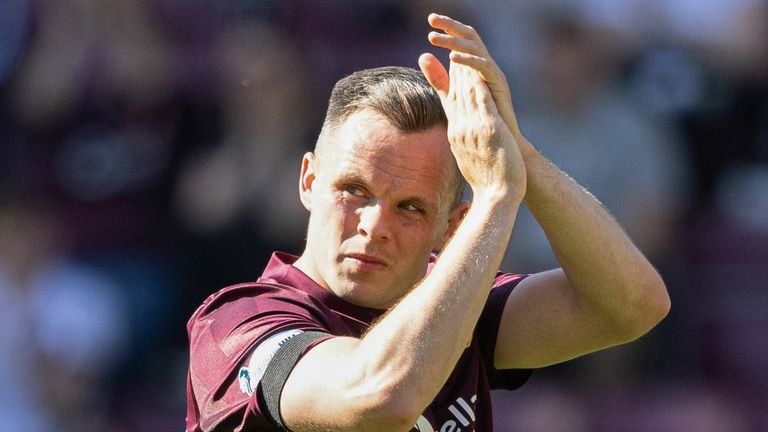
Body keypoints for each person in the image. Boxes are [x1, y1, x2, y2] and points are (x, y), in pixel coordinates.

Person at [186, 13, 670, 432]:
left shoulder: (456, 303)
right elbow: (381, 399)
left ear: (453, 227)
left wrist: (520, 157)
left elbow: (632, 307)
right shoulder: (237, 324)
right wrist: (496, 196)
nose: (374, 225)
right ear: (309, 180)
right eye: (354, 191)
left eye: (411, 207)